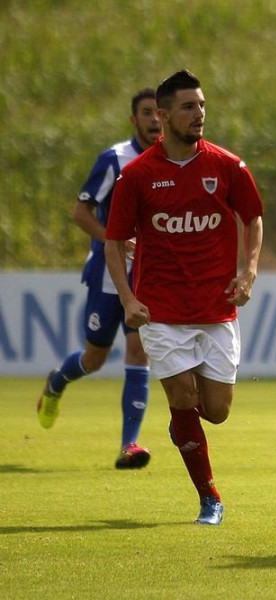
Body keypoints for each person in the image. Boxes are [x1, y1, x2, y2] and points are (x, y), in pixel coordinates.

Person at [104, 70, 264, 526]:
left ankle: (184, 425)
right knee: (180, 396)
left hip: (216, 307)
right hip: (161, 309)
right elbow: (114, 242)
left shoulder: (227, 166)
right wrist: (129, 299)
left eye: (202, 106)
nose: (200, 115)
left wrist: (248, 271)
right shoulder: (136, 176)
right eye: (189, 107)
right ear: (163, 114)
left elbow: (252, 218)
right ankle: (209, 498)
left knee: (215, 412)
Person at [36, 88, 161, 469]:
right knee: (94, 358)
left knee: (138, 349)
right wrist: (115, 240)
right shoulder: (115, 160)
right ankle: (57, 382)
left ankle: (130, 445)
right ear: (133, 120)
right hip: (108, 274)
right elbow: (80, 212)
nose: (154, 119)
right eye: (146, 113)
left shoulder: (173, 161)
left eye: (159, 112)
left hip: (148, 275)